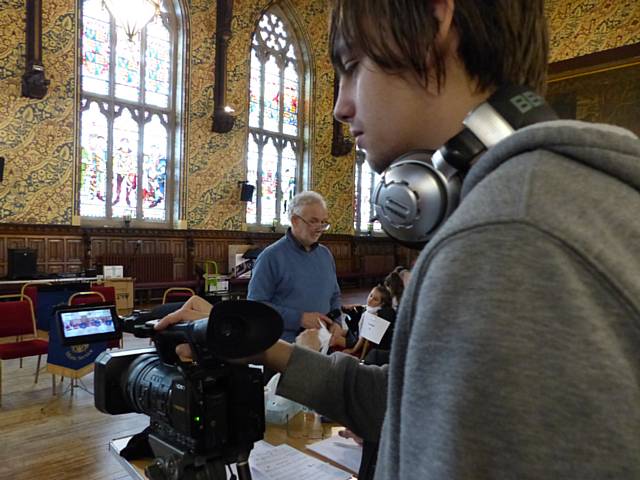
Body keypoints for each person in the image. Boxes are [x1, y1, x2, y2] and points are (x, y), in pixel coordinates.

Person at [157, 1, 640, 478]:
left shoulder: (508, 233)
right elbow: (408, 404)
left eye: (351, 66)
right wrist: (258, 342)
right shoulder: (543, 203)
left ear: (434, 23)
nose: (340, 106)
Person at [247, 190, 342, 342]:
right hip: (284, 346)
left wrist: (337, 322)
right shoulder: (271, 257)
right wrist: (299, 318)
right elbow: (255, 306)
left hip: (322, 345)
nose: (320, 228)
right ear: (295, 221)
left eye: (324, 222)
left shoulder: (325, 255)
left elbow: (334, 295)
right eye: (313, 221)